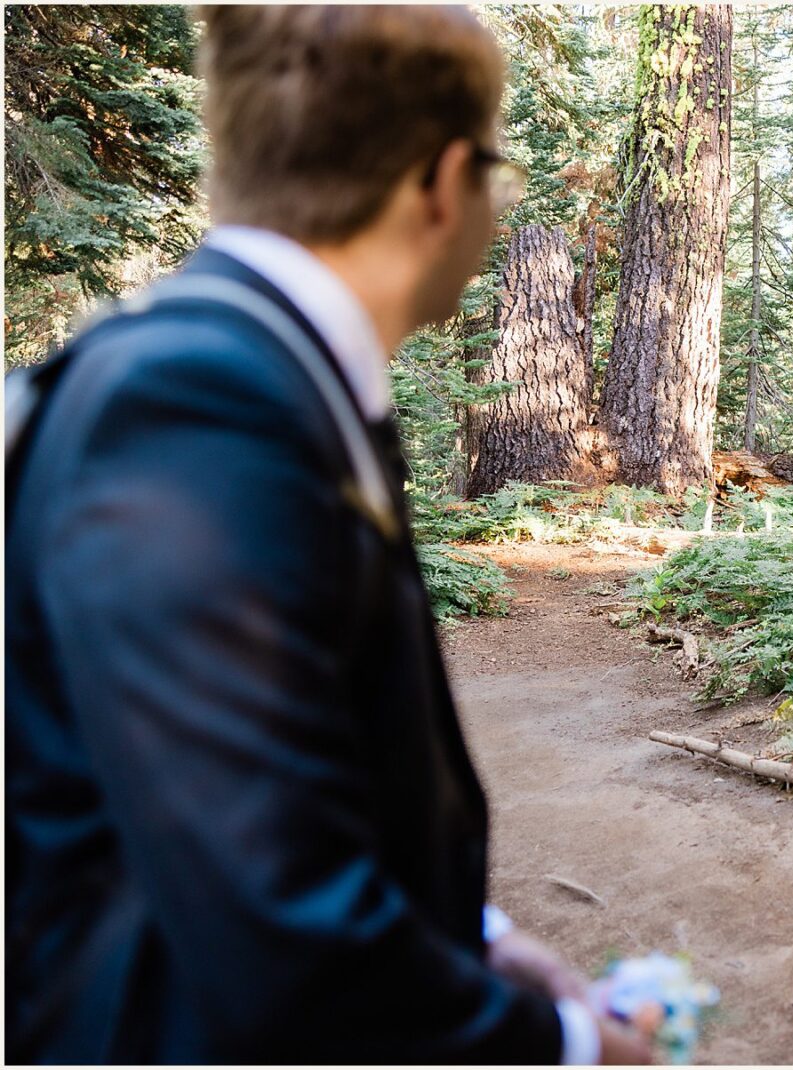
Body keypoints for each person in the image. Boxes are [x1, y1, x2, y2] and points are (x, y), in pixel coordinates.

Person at [5, 6, 651, 1063]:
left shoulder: (264, 373)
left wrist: (472, 938)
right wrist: (567, 1042)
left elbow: (259, 779)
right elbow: (278, 930)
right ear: (445, 183)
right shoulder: (195, 408)